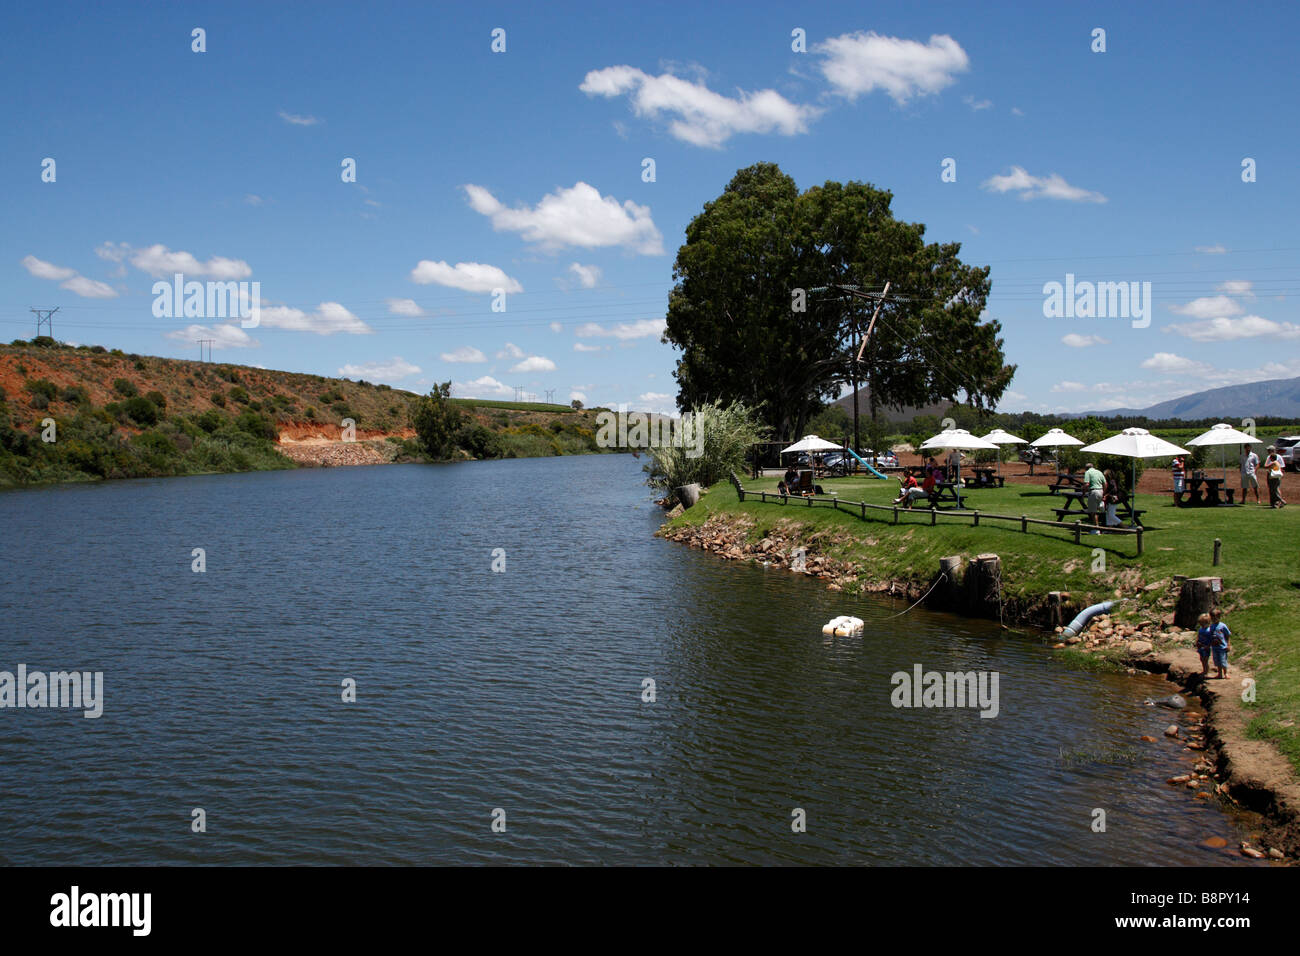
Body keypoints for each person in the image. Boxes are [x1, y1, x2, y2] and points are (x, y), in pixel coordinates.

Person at [1082, 461, 1105, 533]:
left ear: (1086, 468)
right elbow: (1105, 483)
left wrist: (1083, 493)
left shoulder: (1088, 472)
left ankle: (1096, 529)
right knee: (1100, 510)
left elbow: (1087, 484)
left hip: (1093, 492)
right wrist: (1103, 493)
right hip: (1100, 491)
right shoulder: (1099, 472)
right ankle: (1104, 527)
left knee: (1093, 512)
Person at [1209, 609, 1231, 680]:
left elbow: (1227, 635)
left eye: (1215, 618)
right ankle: (1219, 674)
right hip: (1214, 647)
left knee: (1223, 660)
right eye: (1212, 618)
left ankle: (1225, 673)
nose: (1214, 620)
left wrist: (1228, 644)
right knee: (1217, 661)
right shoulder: (1211, 626)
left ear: (1219, 617)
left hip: (1222, 647)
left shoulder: (1222, 626)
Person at [1195, 612, 1215, 677]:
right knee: (1201, 659)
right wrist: (1197, 641)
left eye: (1203, 624)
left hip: (1206, 647)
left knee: (1205, 659)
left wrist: (1208, 646)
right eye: (1201, 624)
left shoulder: (1209, 630)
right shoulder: (1201, 629)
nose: (1202, 625)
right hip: (1200, 646)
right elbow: (1198, 635)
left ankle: (1206, 671)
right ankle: (1204, 670)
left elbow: (1211, 639)